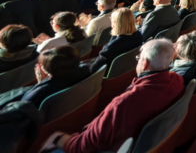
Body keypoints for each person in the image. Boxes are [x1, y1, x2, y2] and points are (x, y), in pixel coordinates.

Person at [51, 40, 185, 153]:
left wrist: (59, 139)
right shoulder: (178, 80)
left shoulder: (124, 103)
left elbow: (83, 146)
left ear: (144, 64)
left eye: (138, 59)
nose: (137, 62)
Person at [21, 45, 91, 108]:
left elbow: (24, 103)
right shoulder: (85, 70)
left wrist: (41, 83)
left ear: (46, 69)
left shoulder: (40, 92)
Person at [90, 8, 143, 73]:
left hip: (107, 77)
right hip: (126, 72)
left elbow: (93, 69)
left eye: (111, 19)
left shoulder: (111, 47)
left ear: (115, 23)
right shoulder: (138, 36)